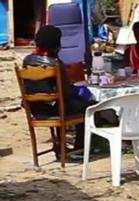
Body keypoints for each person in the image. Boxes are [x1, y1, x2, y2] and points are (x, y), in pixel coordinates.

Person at [23, 25, 94, 158]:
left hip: (36, 109)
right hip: (55, 109)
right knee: (89, 107)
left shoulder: (27, 61)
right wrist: (80, 91)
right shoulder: (54, 63)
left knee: (63, 103)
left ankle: (61, 147)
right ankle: (81, 147)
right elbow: (66, 92)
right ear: (56, 43)